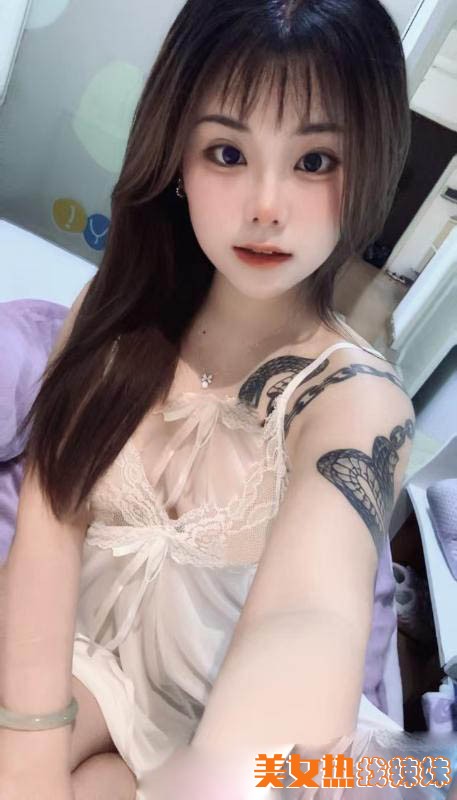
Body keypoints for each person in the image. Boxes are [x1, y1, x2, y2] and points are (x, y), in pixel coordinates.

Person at [2, 0, 454, 798]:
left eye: (314, 161)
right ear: (176, 155)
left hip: (226, 731)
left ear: (370, 167)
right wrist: (30, 751)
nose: (265, 204)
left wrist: (225, 769)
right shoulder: (116, 315)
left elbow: (310, 615)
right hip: (88, 661)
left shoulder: (354, 402)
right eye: (226, 152)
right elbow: (50, 520)